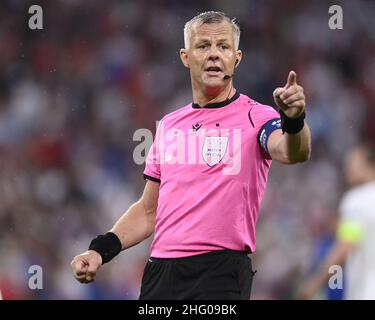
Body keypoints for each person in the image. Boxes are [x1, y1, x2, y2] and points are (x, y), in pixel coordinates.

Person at [71, 11, 311, 300]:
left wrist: (295, 119)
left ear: (237, 57)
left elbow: (293, 151)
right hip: (161, 275)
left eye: (223, 46)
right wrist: (100, 250)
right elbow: (149, 210)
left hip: (219, 273)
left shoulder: (256, 116)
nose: (213, 55)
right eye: (203, 46)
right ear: (185, 57)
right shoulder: (169, 125)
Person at [299, 142, 375, 300]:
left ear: (370, 165)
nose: (347, 169)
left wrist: (314, 284)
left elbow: (345, 245)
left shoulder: (357, 200)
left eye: (353, 164)